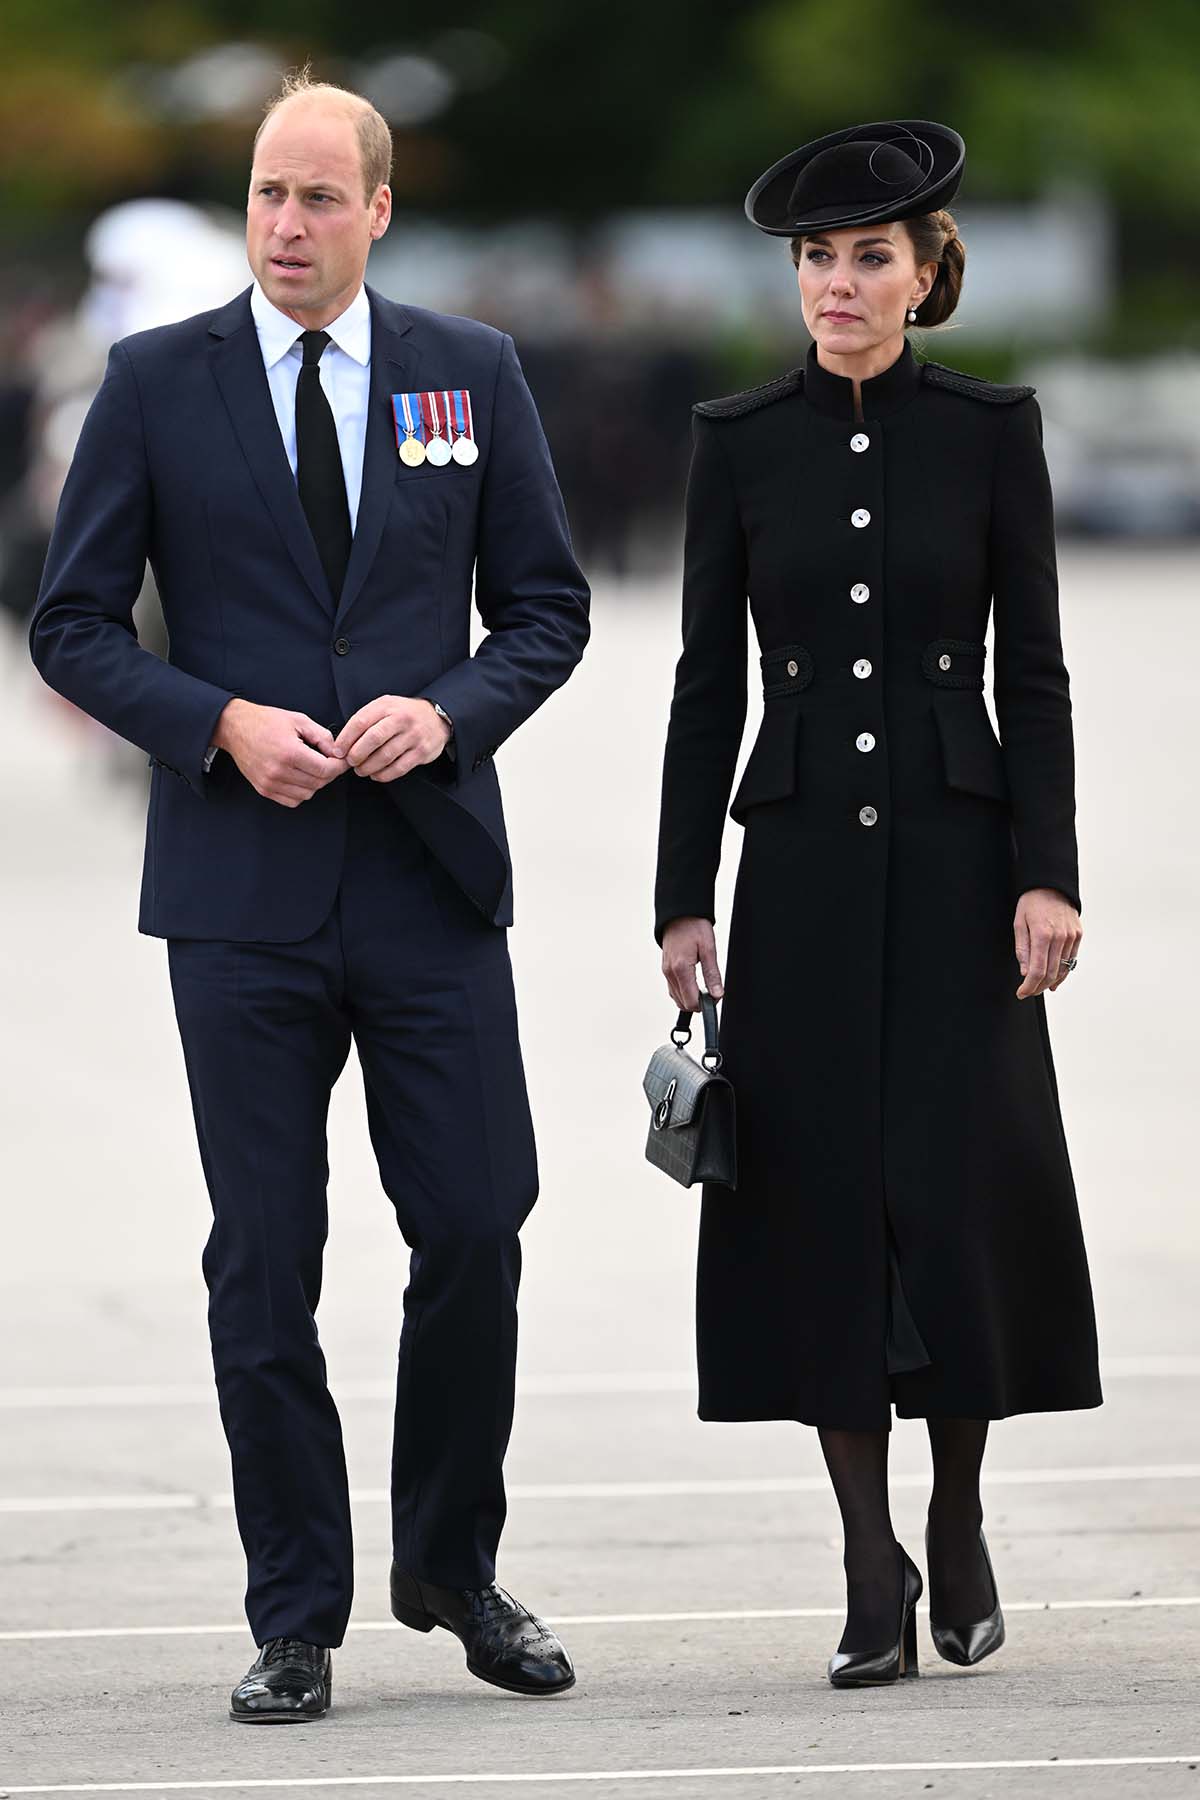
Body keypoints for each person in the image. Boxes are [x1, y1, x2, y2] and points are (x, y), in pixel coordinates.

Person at [30, 74, 589, 1721]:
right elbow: (71, 625)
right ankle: (296, 1611)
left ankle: (452, 1567)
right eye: (269, 195)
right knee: (265, 1260)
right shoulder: (152, 382)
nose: (288, 223)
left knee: (480, 1224)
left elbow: (543, 609)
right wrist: (211, 725)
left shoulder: (469, 376)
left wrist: (452, 712)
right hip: (242, 894)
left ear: (379, 211)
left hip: (428, 885)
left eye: (320, 198)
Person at [654, 120, 1100, 1688]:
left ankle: (959, 1513)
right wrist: (679, 898)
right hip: (802, 881)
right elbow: (707, 683)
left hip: (965, 867)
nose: (837, 285)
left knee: (957, 1194)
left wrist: (1048, 870)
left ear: (926, 276)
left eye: (868, 260)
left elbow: (1031, 669)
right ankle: (866, 1559)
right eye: (817, 260)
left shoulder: (992, 431)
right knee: (818, 1208)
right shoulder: (740, 437)